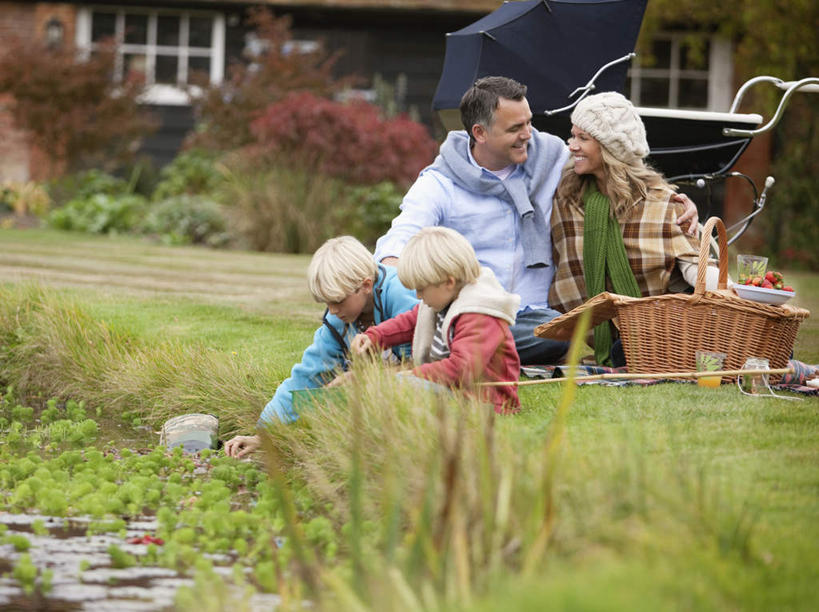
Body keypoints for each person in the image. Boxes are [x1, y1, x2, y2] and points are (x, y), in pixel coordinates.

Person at [374, 76, 698, 366]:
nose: (527, 135)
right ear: (480, 133)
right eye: (515, 129)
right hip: (477, 311)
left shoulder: (554, 158)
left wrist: (673, 200)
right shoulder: (441, 183)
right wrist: (393, 278)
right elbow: (402, 236)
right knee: (530, 333)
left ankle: (458, 351)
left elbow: (618, 166)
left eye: (529, 123)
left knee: (565, 331)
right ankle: (457, 345)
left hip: (542, 317)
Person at [549, 91, 719, 366]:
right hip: (620, 341)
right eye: (573, 135)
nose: (572, 146)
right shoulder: (566, 198)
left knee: (627, 351)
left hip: (667, 326)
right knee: (621, 353)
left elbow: (693, 268)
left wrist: (738, 293)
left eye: (583, 138)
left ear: (610, 148)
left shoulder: (661, 202)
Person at [224, 236, 418, 458]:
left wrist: (365, 379)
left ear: (365, 285)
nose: (332, 311)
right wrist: (263, 434)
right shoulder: (339, 320)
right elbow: (307, 376)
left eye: (337, 301)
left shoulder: (401, 295)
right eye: (326, 303)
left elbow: (427, 363)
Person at [353, 227, 521, 414]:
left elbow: (462, 368)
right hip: (458, 392)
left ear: (448, 282)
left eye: (421, 289)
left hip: (488, 401)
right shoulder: (444, 300)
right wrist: (374, 336)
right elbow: (410, 322)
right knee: (398, 391)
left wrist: (415, 374)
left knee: (401, 387)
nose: (417, 295)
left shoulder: (479, 314)